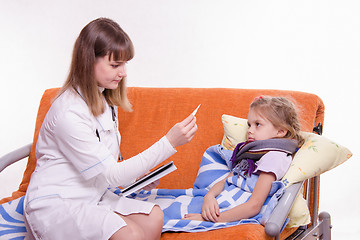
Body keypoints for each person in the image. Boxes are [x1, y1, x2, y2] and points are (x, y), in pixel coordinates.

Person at [23, 18, 198, 240]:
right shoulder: (69, 112)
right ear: (88, 62)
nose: (123, 72)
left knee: (154, 216)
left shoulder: (104, 99)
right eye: (115, 65)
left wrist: (140, 177)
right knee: (131, 234)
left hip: (92, 195)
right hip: (57, 203)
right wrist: (169, 142)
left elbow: (106, 167)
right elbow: (112, 174)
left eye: (124, 64)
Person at [184, 96, 303, 223]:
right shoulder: (252, 153)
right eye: (249, 125)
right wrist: (209, 196)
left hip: (232, 212)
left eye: (258, 124)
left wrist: (207, 220)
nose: (250, 130)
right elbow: (226, 180)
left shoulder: (274, 157)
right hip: (223, 202)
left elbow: (254, 206)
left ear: (280, 131)